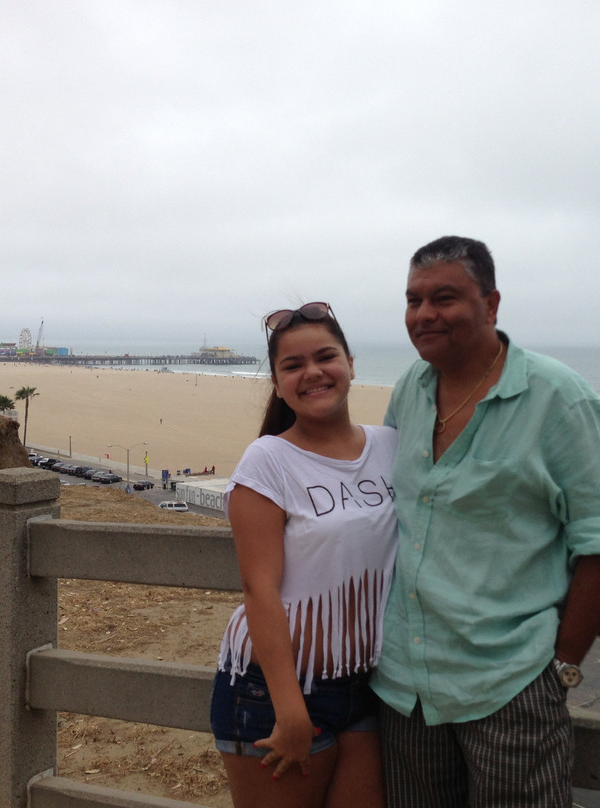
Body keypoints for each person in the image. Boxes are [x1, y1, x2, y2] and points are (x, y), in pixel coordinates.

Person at [371, 236, 600, 807]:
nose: (424, 315)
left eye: (444, 298)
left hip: (509, 687)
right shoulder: (409, 392)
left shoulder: (557, 397)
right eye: (413, 300)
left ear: (491, 305)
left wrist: (562, 667)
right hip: (404, 689)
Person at [210, 302, 398, 808]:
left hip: (365, 688)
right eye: (293, 366)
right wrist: (289, 707)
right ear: (277, 382)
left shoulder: (391, 448)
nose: (313, 372)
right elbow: (259, 588)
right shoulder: (268, 460)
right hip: (271, 691)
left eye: (325, 357)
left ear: (351, 364)